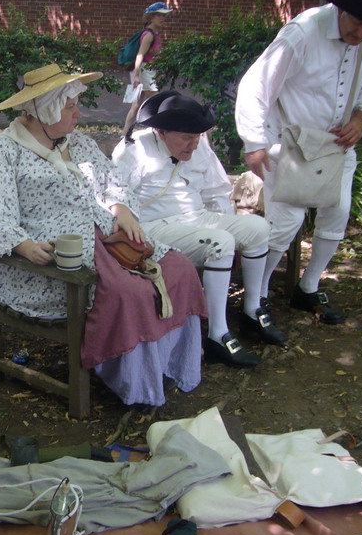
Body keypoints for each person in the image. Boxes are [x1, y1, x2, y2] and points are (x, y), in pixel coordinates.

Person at [0, 64, 207, 407]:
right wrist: (24, 246)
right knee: (128, 292)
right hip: (55, 264)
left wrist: (121, 207)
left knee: (179, 269)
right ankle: (132, 383)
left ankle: (166, 367)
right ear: (46, 109)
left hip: (108, 240)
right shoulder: (4, 152)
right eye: (69, 106)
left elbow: (114, 183)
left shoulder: (79, 143)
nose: (78, 113)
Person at [235, 0, 362, 323]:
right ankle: (257, 296)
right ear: (341, 9)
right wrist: (254, 143)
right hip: (290, 140)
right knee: (286, 223)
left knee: (338, 211)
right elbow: (256, 86)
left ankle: (308, 287)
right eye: (357, 22)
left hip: (337, 146)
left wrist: (360, 118)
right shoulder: (302, 33)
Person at [113, 90, 287, 369]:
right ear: (161, 131)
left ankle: (252, 310)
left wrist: (231, 224)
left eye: (196, 138)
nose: (193, 146)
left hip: (198, 218)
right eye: (185, 138)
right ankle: (217, 333)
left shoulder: (199, 145)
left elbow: (217, 190)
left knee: (258, 227)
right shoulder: (133, 150)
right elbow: (115, 196)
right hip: (155, 227)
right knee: (220, 243)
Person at [121, 2, 171, 138]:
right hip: (144, 71)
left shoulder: (155, 33)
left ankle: (125, 134)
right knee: (157, 103)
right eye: (159, 16)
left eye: (164, 16)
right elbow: (140, 55)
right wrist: (137, 76)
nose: (162, 19)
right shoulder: (149, 35)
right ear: (151, 17)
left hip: (148, 72)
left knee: (136, 104)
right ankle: (158, 133)